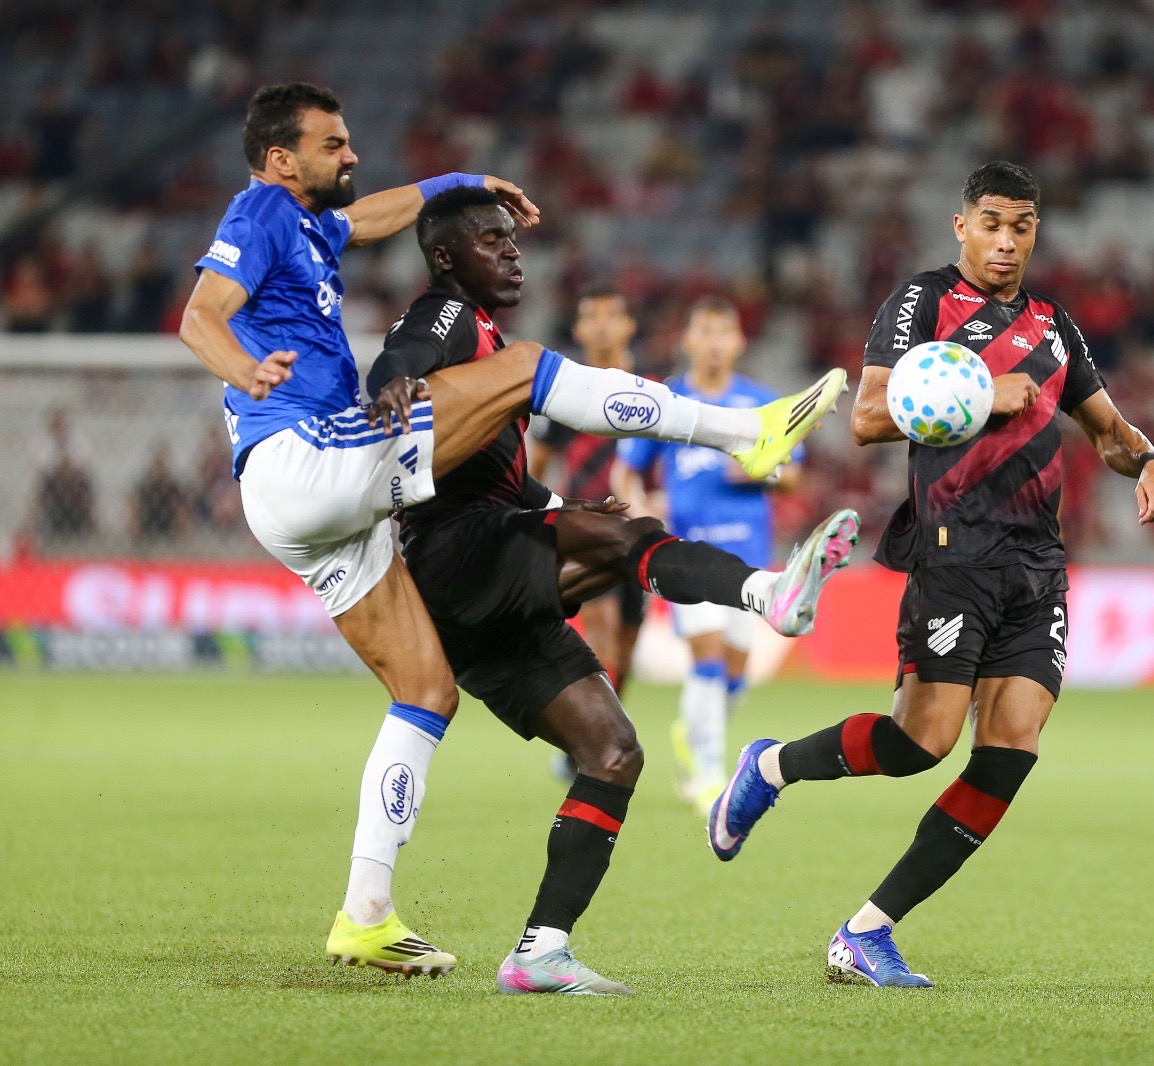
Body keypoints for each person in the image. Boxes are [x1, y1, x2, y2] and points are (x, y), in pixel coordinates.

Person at [177, 83, 847, 979]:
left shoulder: (314, 228)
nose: (352, 155)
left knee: (427, 691)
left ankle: (366, 914)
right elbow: (200, 316)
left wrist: (456, 180)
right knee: (527, 369)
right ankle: (744, 432)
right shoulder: (263, 209)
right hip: (304, 451)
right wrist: (247, 372)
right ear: (279, 160)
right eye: (333, 144)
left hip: (310, 510)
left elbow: (375, 216)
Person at [366, 186, 860, 995]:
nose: (512, 252)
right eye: (491, 240)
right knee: (631, 539)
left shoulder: (485, 337)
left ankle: (541, 952)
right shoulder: (451, 316)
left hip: (476, 591)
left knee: (614, 751)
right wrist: (391, 381)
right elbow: (405, 351)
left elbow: (503, 476)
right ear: (447, 257)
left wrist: (558, 506)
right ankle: (768, 592)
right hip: (456, 553)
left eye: (513, 240)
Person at [704, 160, 1154, 987]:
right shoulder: (923, 302)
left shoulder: (1053, 325)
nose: (1006, 241)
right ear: (962, 226)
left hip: (1038, 564)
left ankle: (868, 929)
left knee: (1012, 746)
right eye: (991, 224)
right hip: (954, 548)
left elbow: (1107, 429)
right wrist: (976, 395)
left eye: (1021, 226)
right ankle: (770, 766)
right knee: (919, 743)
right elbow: (865, 417)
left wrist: (1148, 461)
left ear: (1036, 231)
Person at [614, 297, 801, 814]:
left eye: (724, 332)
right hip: (688, 555)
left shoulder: (760, 403)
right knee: (709, 658)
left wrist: (766, 471)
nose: (715, 342)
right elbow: (627, 470)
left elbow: (795, 474)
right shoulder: (668, 401)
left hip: (749, 559)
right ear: (688, 340)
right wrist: (641, 507)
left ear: (739, 341)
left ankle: (694, 733)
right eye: (705, 331)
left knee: (735, 673)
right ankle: (709, 775)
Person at [529, 285, 646, 703]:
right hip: (586, 528)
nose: (601, 326)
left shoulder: (652, 388)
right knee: (602, 634)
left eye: (611, 315)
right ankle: (596, 732)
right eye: (591, 317)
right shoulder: (565, 391)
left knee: (626, 653)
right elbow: (537, 467)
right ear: (577, 329)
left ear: (629, 325)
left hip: (639, 528)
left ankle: (605, 724)